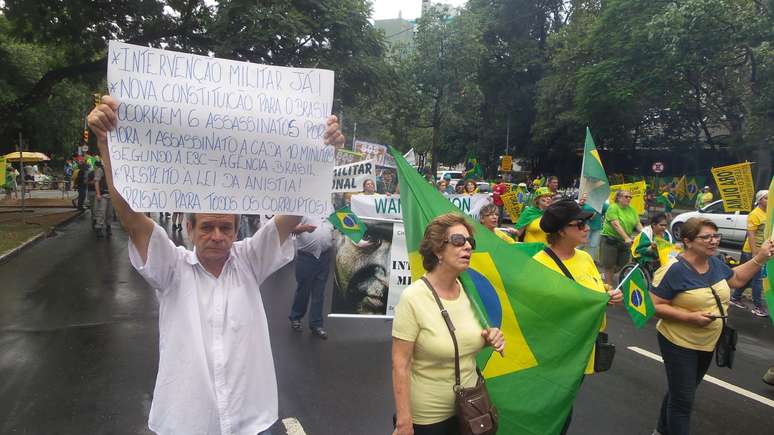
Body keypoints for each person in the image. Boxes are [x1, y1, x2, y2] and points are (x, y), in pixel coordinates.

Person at [87, 95, 345, 435]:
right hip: (186, 421)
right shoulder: (172, 268)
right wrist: (107, 143)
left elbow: (294, 208)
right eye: (207, 226)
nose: (217, 236)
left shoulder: (251, 259)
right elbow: (132, 219)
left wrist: (325, 153)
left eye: (226, 227)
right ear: (189, 229)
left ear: (237, 231)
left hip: (250, 421)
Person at [650, 217, 774, 435]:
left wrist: (760, 258)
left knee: (681, 391)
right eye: (706, 237)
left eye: (716, 236)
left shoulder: (714, 262)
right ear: (688, 241)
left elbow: (735, 279)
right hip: (678, 342)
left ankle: (660, 430)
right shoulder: (673, 270)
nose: (713, 241)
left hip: (707, 342)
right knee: (683, 401)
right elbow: (655, 306)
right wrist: (690, 318)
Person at [392, 213, 505, 435]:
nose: (468, 247)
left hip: (473, 409)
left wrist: (488, 337)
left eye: (470, 242)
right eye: (458, 241)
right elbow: (400, 364)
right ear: (436, 250)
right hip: (429, 418)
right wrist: (404, 421)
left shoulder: (468, 290)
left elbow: (463, 339)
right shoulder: (413, 298)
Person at [532, 199, 623, 434]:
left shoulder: (584, 258)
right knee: (553, 412)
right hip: (556, 353)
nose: (587, 228)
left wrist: (608, 293)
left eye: (587, 223)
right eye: (579, 224)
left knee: (565, 409)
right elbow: (537, 314)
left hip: (584, 348)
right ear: (561, 231)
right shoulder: (539, 266)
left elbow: (596, 287)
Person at [289, 216, 335, 339]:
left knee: (319, 293)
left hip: (324, 257)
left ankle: (316, 325)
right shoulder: (304, 206)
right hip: (306, 257)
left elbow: (342, 225)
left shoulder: (330, 207)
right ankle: (296, 317)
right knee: (303, 290)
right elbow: (290, 229)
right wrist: (304, 228)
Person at [729, 190, 769, 317]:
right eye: (766, 198)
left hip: (763, 250)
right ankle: (758, 306)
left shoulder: (769, 212)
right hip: (753, 251)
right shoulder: (755, 214)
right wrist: (754, 253)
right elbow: (751, 235)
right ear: (759, 200)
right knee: (758, 279)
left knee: (749, 277)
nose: (768, 200)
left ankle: (735, 297)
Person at [600, 190, 643, 286]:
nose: (629, 199)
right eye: (626, 196)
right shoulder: (613, 207)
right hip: (611, 240)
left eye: (630, 197)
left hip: (624, 242)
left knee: (623, 265)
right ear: (619, 198)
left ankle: (607, 275)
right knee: (609, 265)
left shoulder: (632, 210)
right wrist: (626, 238)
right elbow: (615, 224)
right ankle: (609, 287)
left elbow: (638, 224)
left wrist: (646, 234)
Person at [93, 160, 113, 238]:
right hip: (103, 194)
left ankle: (108, 227)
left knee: (109, 213)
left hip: (110, 195)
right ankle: (99, 228)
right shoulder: (100, 170)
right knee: (101, 212)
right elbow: (96, 182)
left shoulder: (111, 170)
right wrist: (98, 193)